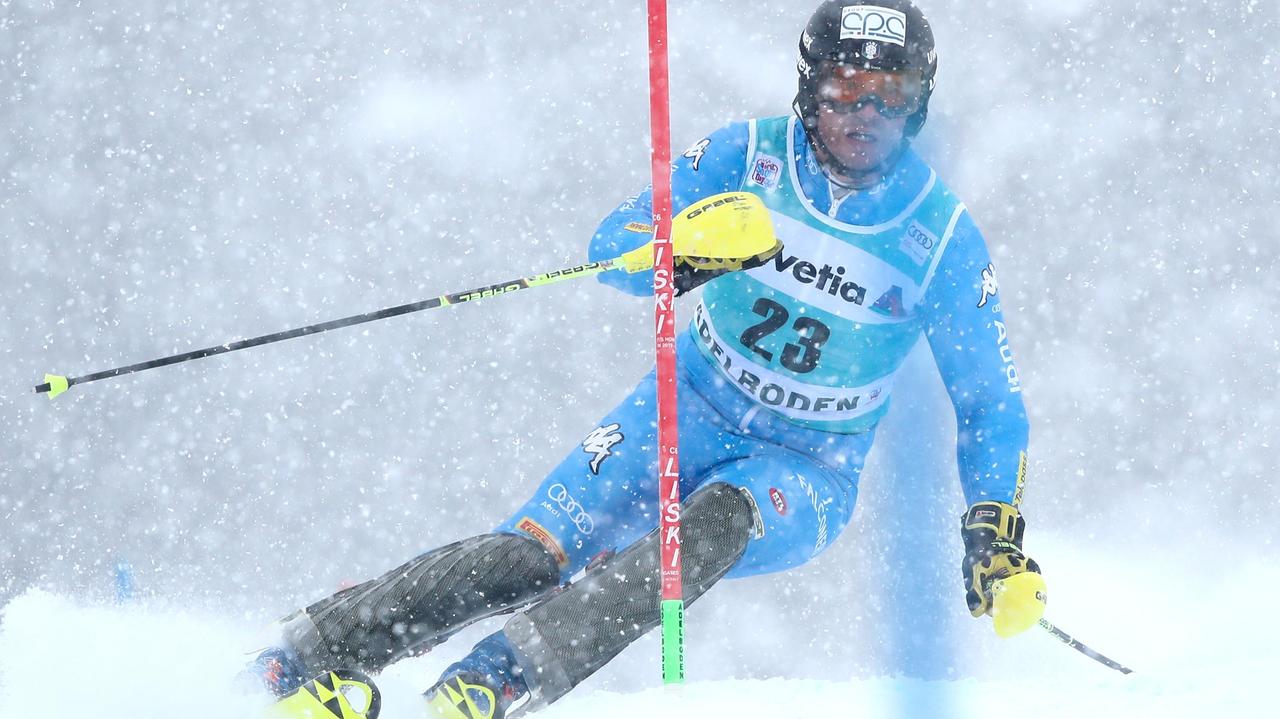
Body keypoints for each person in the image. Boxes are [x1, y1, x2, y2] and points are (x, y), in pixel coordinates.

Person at [246, 2, 1042, 717]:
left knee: (707, 528)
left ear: (920, 102)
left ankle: (491, 683)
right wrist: (675, 252)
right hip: (685, 403)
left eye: (890, 96)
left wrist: (993, 530)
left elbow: (990, 402)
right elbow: (610, 247)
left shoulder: (940, 235)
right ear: (809, 89)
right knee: (532, 556)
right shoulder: (749, 156)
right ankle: (309, 654)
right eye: (844, 90)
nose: (865, 115)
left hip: (808, 464)